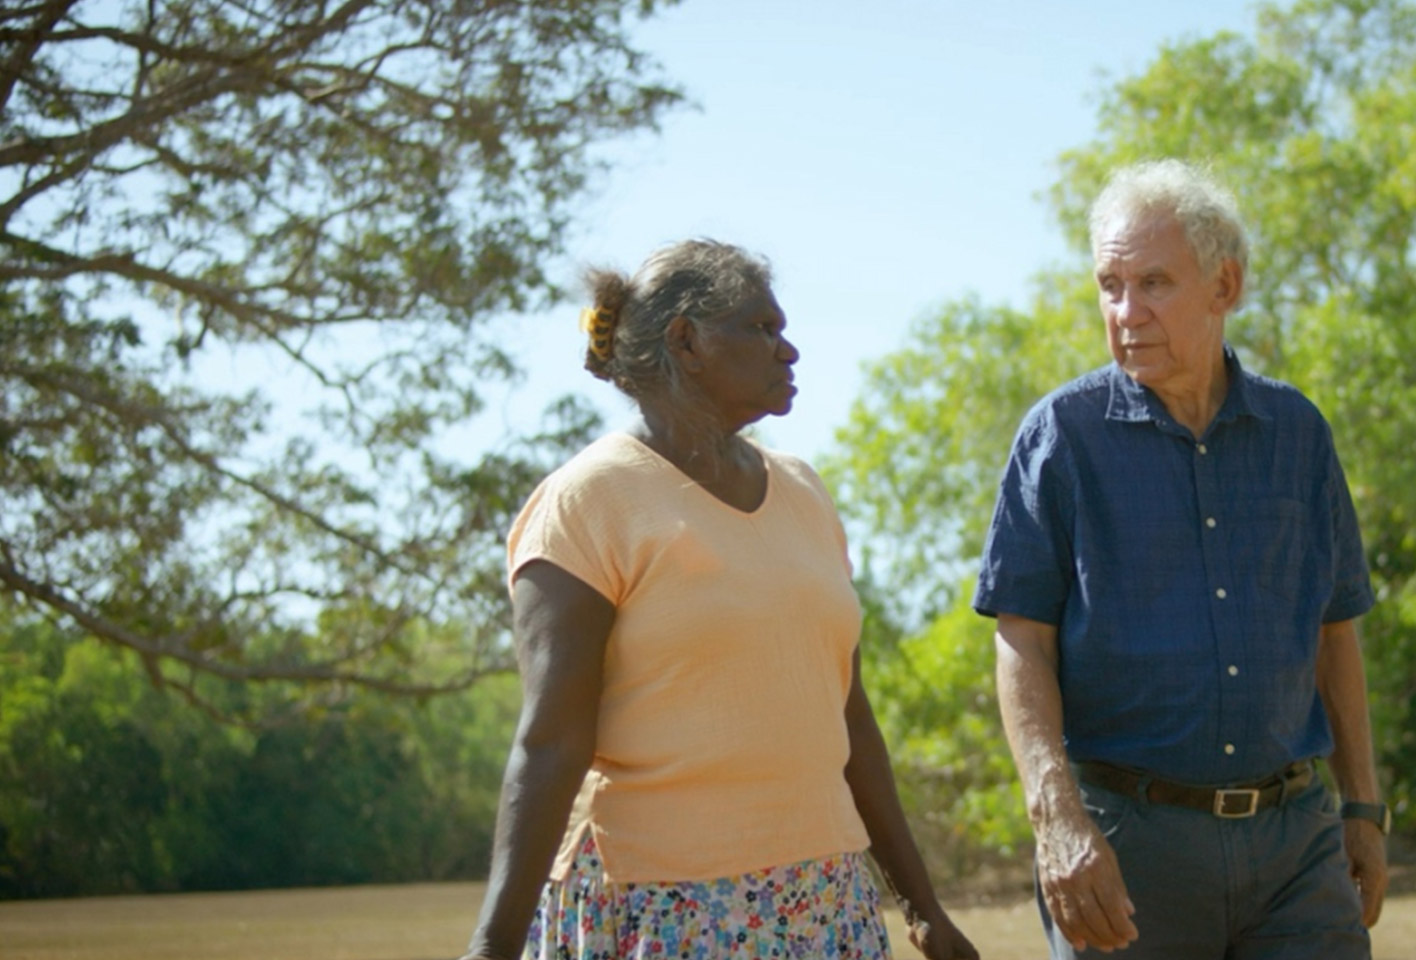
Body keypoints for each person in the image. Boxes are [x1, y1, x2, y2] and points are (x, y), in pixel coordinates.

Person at [460, 240, 980, 960]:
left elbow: (847, 717)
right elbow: (551, 741)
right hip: (663, 905)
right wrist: (492, 947)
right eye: (763, 328)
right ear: (688, 341)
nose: (789, 350)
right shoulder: (587, 502)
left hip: (824, 902)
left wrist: (921, 907)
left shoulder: (803, 492)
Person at [974, 159, 1389, 959]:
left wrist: (1363, 809)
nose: (1126, 311)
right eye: (1109, 284)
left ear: (1224, 285)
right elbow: (1020, 638)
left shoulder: (1298, 433)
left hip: (1296, 848)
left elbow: (1335, 627)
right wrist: (1056, 817)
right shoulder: (1060, 437)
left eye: (1154, 282)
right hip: (1130, 850)